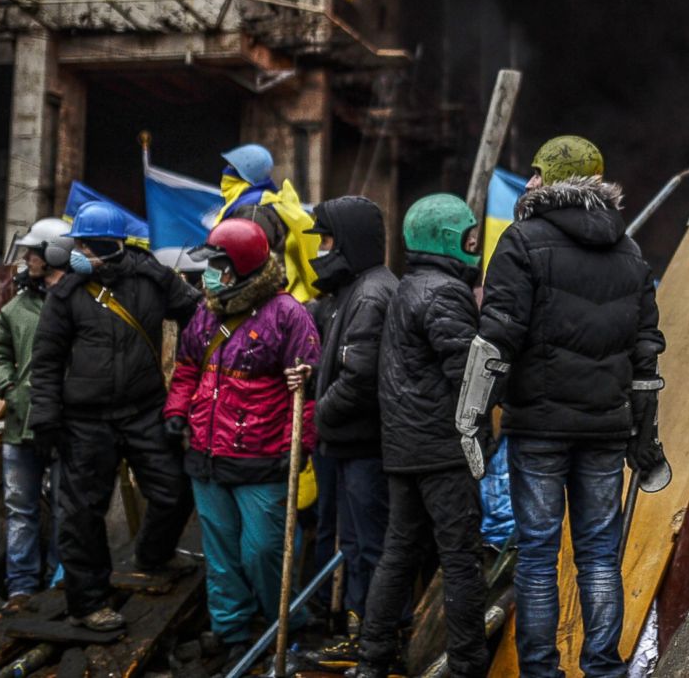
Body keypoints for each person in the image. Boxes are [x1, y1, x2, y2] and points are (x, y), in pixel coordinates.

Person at [465, 135, 668, 678]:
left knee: (537, 557)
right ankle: (603, 668)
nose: (528, 182)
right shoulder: (628, 251)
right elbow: (646, 349)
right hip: (605, 428)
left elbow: (495, 341)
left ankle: (541, 671)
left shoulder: (521, 242)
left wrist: (471, 420)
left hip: (539, 427)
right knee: (600, 557)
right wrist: (644, 436)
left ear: (552, 180)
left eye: (536, 172)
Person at [28, 200, 201, 631]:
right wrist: (46, 419)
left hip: (145, 410)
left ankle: (153, 555)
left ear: (110, 246)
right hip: (85, 421)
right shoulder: (66, 294)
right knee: (83, 513)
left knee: (175, 489)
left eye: (87, 246)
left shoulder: (151, 279)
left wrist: (191, 379)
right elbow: (46, 361)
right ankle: (89, 603)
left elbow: (196, 314)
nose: (78, 254)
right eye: (78, 245)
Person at [165, 218, 321, 661]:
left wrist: (302, 445)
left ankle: (283, 624)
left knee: (263, 550)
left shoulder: (289, 315)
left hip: (263, 458)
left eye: (217, 264)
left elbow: (307, 392)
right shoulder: (206, 311)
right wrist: (177, 413)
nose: (209, 274)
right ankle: (232, 632)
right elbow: (188, 369)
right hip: (207, 456)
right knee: (221, 556)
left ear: (241, 268)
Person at [355, 195, 488, 678]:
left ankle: (372, 659)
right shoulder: (444, 293)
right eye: (469, 237)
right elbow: (467, 374)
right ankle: (470, 664)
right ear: (449, 240)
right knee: (461, 560)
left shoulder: (411, 285)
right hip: (442, 451)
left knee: (398, 553)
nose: (475, 245)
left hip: (405, 447)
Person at [300, 195, 397, 661]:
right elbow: (337, 363)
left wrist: (320, 412)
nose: (321, 249)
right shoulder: (350, 291)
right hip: (349, 444)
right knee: (356, 546)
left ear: (350, 240)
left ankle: (378, 645)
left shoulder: (372, 294)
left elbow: (359, 376)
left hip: (365, 445)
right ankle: (361, 636)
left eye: (328, 239)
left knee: (372, 548)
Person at [0, 217, 72, 608]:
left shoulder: (79, 304)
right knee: (21, 509)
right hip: (21, 426)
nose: (28, 259)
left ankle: (59, 582)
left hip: (68, 426)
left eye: (34, 253)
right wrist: (7, 387)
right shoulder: (17, 308)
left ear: (54, 255)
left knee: (67, 509)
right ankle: (20, 585)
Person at [216, 144, 320, 303]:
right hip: (275, 300)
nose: (225, 171)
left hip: (262, 305)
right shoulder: (259, 204)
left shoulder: (254, 211)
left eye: (231, 167)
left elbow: (248, 268)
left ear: (242, 174)